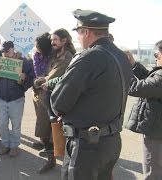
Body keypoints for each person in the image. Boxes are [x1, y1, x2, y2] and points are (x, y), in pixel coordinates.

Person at [50, 9, 133, 180]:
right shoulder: (120, 55)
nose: (78, 38)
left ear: (86, 32)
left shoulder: (89, 56)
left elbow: (59, 101)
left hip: (86, 146)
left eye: (79, 33)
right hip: (110, 141)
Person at [33, 29, 76, 174]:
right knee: (44, 131)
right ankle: (51, 160)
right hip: (45, 99)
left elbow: (52, 76)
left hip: (57, 101)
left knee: (57, 134)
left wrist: (38, 81)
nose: (52, 42)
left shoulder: (67, 57)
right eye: (51, 40)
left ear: (64, 40)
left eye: (55, 40)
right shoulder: (54, 54)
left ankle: (64, 166)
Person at [126, 40, 162, 180]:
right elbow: (149, 81)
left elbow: (136, 88)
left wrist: (122, 70)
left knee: (153, 172)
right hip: (156, 130)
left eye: (156, 54)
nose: (154, 57)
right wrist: (134, 65)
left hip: (156, 133)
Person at [0, 41, 34, 157]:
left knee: (16, 125)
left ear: (13, 49)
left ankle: (14, 146)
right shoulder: (0, 61)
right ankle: (5, 144)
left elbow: (31, 79)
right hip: (2, 98)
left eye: (7, 51)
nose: (5, 53)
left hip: (16, 99)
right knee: (2, 124)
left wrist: (24, 78)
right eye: (2, 51)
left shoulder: (24, 62)